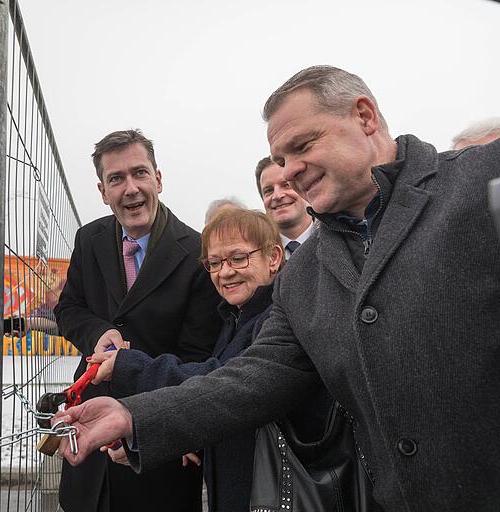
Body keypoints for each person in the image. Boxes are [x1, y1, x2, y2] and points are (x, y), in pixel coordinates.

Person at [54, 66, 500, 511]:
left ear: (364, 117)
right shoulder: (304, 275)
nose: (291, 172)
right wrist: (134, 417)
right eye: (281, 159)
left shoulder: (479, 183)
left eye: (302, 146)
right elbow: (249, 379)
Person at [88, 207, 332, 511]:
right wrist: (180, 437)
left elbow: (226, 383)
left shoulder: (277, 320)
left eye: (238, 258)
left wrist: (130, 367)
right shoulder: (233, 320)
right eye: (214, 263)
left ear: (273, 258)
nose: (225, 272)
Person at [53, 129, 222, 512]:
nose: (130, 188)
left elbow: (196, 358)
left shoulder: (197, 252)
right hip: (89, 434)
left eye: (139, 173)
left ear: (158, 179)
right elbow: (69, 309)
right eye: (116, 179)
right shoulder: (89, 239)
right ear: (102, 190)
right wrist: (98, 332)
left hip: (156, 443)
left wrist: (153, 425)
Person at [255, 156, 313, 258]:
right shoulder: (255, 256)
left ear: (305, 188)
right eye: (268, 190)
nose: (277, 196)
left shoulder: (340, 239)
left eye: (286, 185)